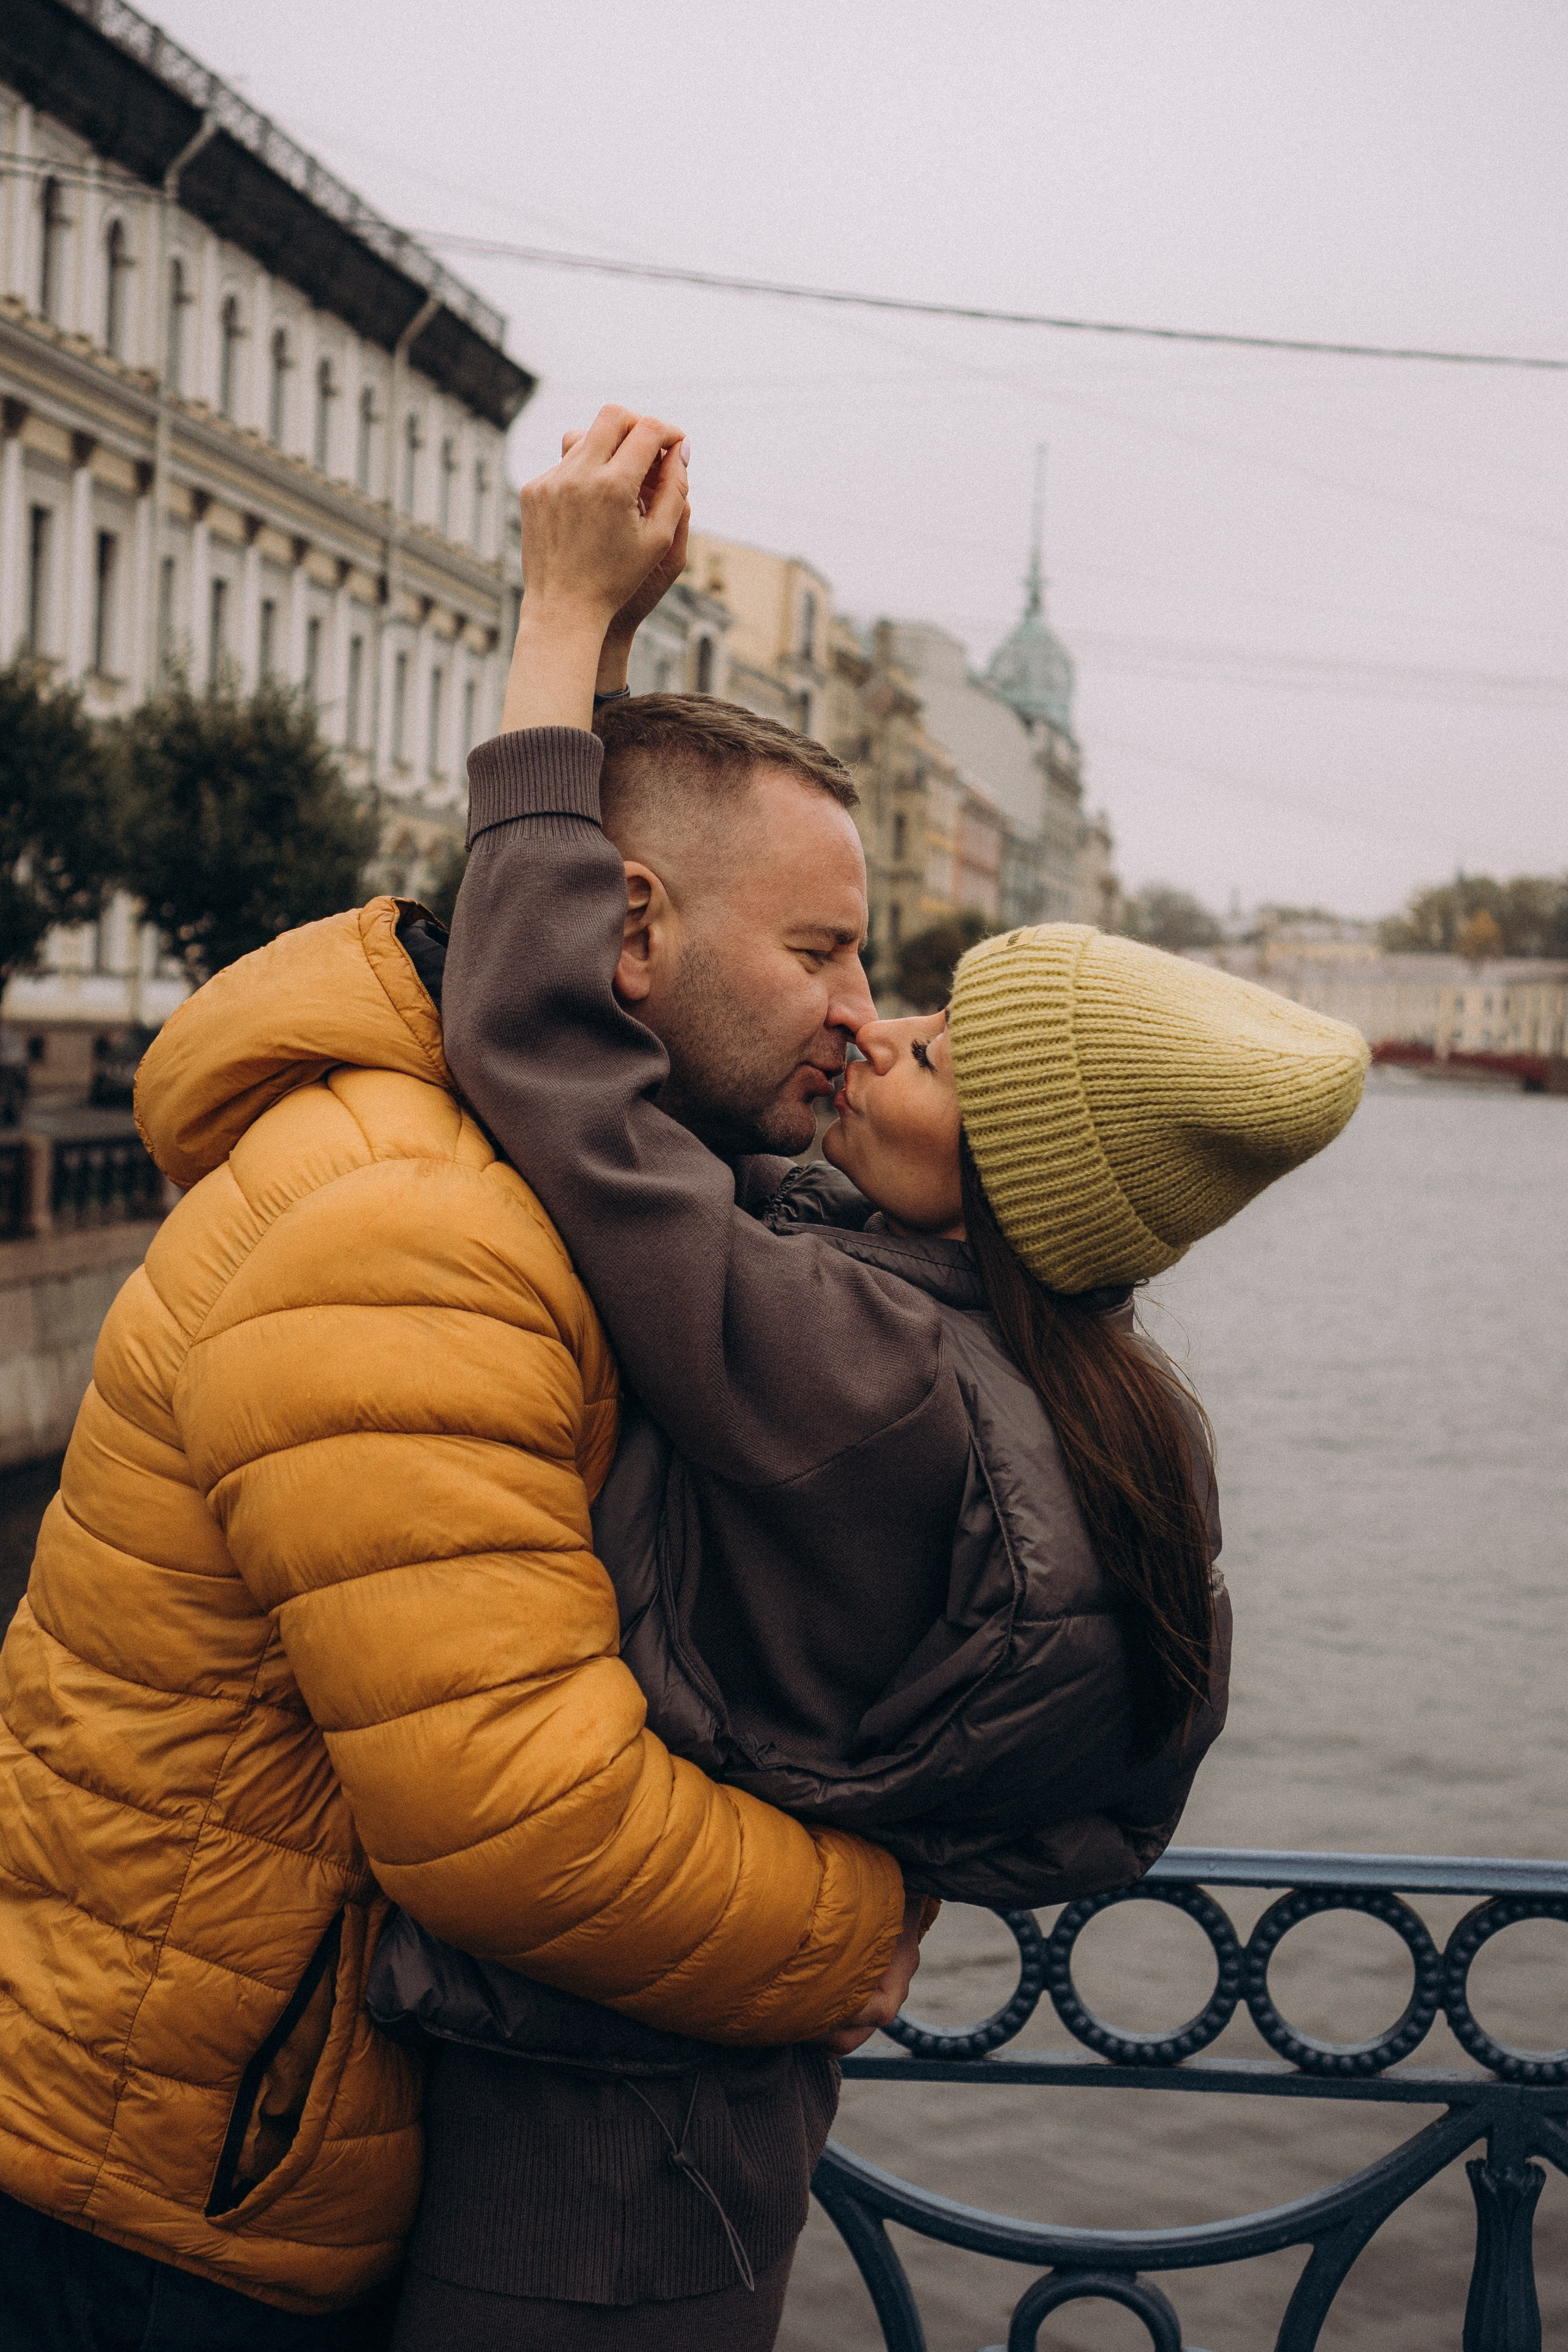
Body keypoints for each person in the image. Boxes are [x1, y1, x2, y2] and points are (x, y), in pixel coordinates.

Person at [379, 408, 1367, 2347]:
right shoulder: (1023, 1363)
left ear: (1002, 1171)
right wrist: (657, 799)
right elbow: (680, 1074)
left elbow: (556, 1060)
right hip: (705, 2097)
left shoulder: (860, 1370)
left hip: (590, 2137)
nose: (874, 1031)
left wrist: (565, 626)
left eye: (931, 1048)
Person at [0, 726, 922, 2336]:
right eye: (820, 951)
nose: (862, 1008)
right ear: (631, 929)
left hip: (227, 2132)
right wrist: (858, 1935)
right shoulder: (415, 1222)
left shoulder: (504, 1179)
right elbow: (519, 1820)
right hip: (162, 2200)